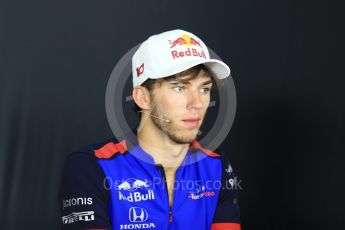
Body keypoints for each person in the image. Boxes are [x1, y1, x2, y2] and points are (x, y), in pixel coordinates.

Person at [59, 29, 241, 230]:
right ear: (143, 98)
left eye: (204, 89)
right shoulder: (91, 166)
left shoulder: (216, 167)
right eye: (179, 88)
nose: (197, 103)